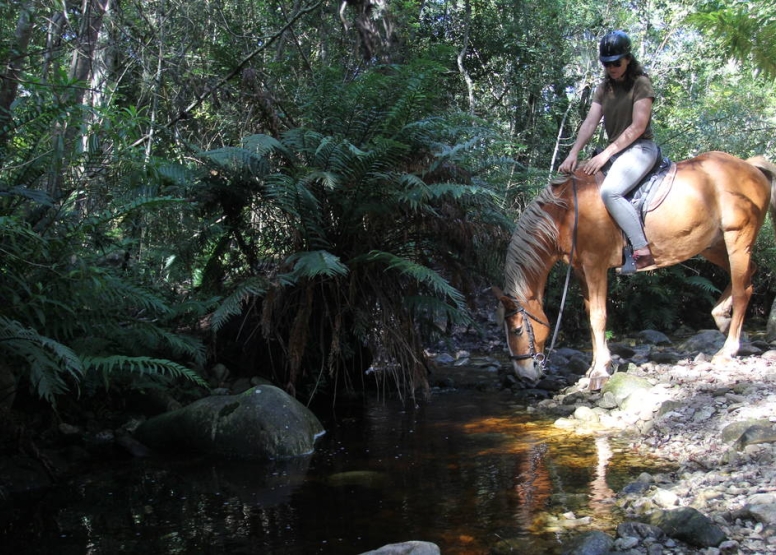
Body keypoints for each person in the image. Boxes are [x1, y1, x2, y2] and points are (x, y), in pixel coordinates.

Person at [559, 30, 659, 271]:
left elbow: (638, 126)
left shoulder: (640, 83)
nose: (612, 67)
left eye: (616, 62)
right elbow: (590, 122)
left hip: (640, 148)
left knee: (610, 192)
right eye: (607, 64)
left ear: (628, 59)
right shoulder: (604, 88)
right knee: (579, 184)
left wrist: (604, 155)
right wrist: (573, 153)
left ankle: (641, 250)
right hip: (616, 153)